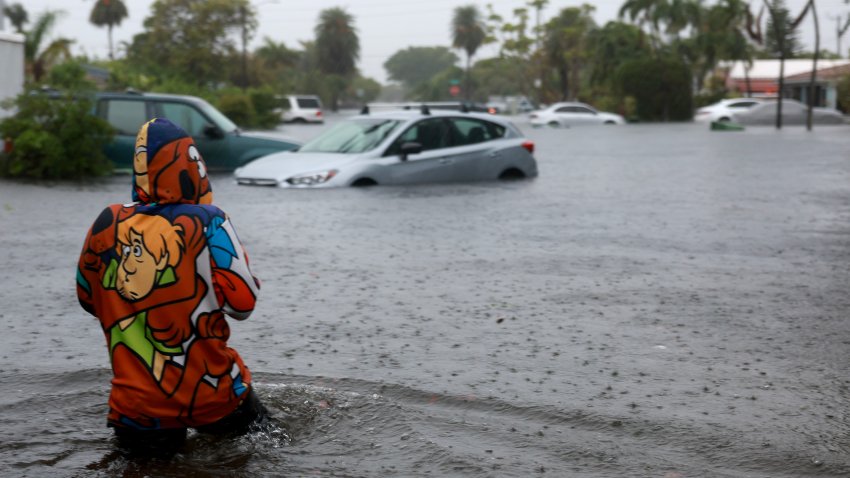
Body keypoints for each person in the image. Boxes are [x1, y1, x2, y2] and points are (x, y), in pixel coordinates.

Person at [76, 118, 267, 455]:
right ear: (193, 166)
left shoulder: (107, 221)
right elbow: (243, 306)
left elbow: (88, 299)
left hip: (136, 404)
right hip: (213, 390)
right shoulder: (209, 220)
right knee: (263, 454)